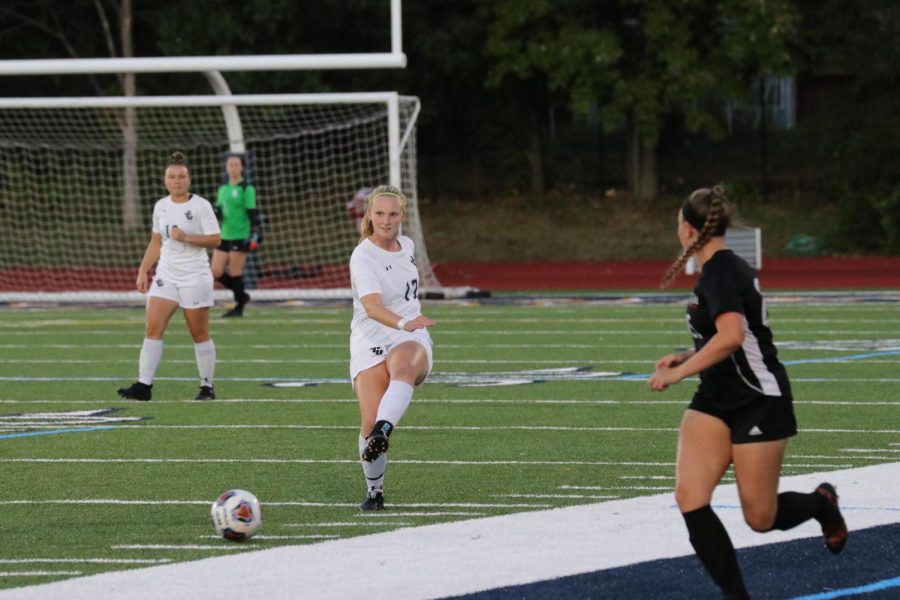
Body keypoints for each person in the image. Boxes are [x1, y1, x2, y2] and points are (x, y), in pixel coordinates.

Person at [647, 186, 848, 599]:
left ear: (687, 229)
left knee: (760, 517)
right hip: (715, 400)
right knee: (690, 498)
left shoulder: (721, 271)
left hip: (758, 399)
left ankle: (821, 504)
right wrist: (687, 354)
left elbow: (734, 337)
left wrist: (680, 371)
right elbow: (734, 335)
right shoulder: (720, 269)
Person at [349, 185, 436, 511]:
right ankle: (375, 492)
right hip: (371, 337)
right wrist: (403, 323)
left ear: (402, 216)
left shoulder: (408, 245)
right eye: (380, 213)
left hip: (409, 337)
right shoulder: (363, 256)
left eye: (393, 214)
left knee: (403, 368)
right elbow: (372, 307)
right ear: (369, 215)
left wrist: (408, 327)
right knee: (368, 422)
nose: (387, 220)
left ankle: (385, 429)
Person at [117, 151, 221, 402]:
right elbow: (156, 241)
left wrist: (186, 237)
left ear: (189, 180)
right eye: (172, 177)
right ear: (165, 180)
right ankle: (143, 386)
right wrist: (143, 270)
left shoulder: (200, 206)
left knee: (198, 333)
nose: (177, 180)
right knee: (152, 328)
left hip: (195, 276)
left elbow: (215, 239)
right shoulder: (161, 206)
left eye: (181, 176)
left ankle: (206, 386)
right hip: (166, 274)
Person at [211, 153, 262, 318]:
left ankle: (238, 307)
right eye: (230, 164)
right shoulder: (223, 188)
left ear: (242, 167)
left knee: (235, 272)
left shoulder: (247, 188)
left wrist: (256, 232)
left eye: (236, 164)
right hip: (224, 235)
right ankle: (242, 295)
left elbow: (252, 212)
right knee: (216, 271)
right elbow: (219, 209)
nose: (233, 168)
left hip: (240, 235)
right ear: (226, 167)